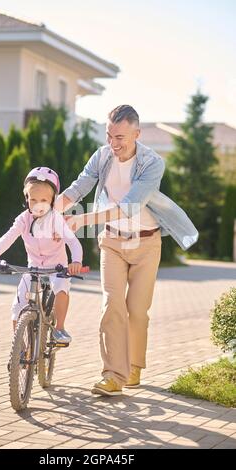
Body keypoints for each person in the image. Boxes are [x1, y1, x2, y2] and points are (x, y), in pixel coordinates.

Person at [55, 105, 199, 396]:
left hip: (146, 243)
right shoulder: (103, 155)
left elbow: (130, 206)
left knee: (137, 310)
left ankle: (134, 366)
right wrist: (49, 208)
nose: (114, 143)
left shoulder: (152, 163)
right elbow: (79, 187)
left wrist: (83, 219)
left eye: (120, 137)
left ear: (137, 133)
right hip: (112, 241)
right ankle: (112, 374)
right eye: (109, 135)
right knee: (112, 305)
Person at [0, 167, 83, 344]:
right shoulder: (23, 219)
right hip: (33, 268)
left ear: (52, 201)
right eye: (33, 199)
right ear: (27, 199)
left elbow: (73, 242)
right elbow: (8, 237)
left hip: (57, 268)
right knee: (18, 306)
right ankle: (20, 348)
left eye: (44, 200)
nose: (38, 204)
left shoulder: (56, 219)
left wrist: (75, 261)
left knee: (61, 288)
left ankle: (59, 329)